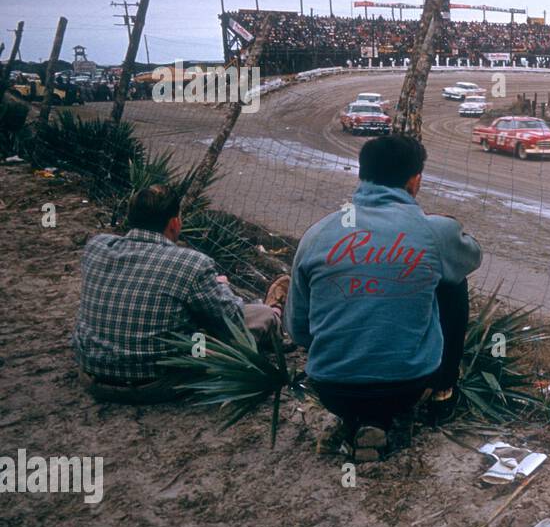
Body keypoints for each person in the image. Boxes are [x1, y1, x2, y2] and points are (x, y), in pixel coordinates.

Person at [287, 134, 481, 459]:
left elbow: (298, 329)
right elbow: (471, 256)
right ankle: (440, 393)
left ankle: (358, 419)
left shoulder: (317, 234)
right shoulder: (434, 232)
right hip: (409, 386)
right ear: (415, 180)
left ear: (362, 176)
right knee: (452, 281)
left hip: (331, 387)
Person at [72, 184, 286, 403]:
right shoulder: (192, 264)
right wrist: (221, 286)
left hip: (92, 374)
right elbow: (233, 318)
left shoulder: (96, 246)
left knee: (182, 313)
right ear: (174, 223)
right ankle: (277, 316)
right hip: (157, 383)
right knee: (260, 315)